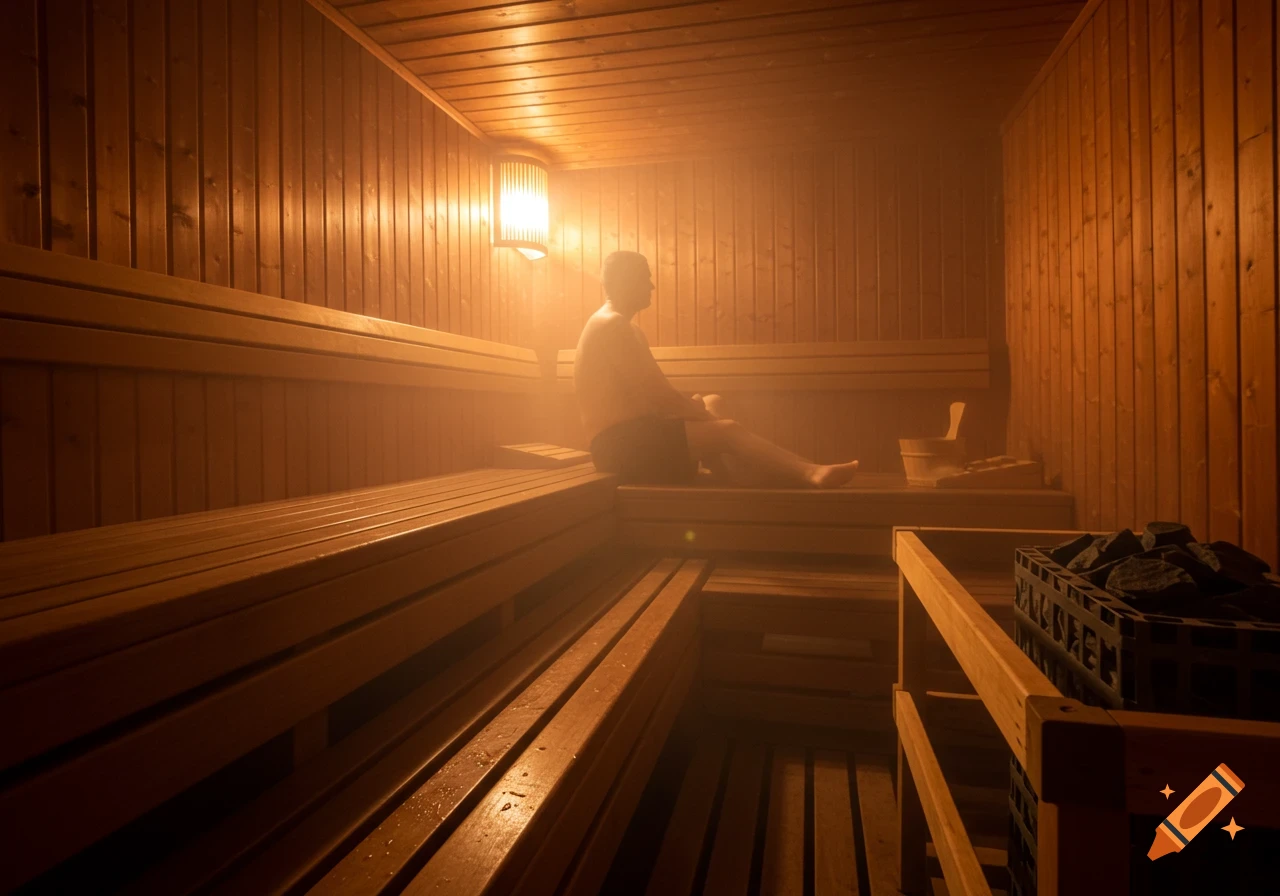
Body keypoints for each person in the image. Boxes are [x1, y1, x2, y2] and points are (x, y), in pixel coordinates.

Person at [574, 250, 861, 488]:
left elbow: (652, 401)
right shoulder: (612, 325)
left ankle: (737, 478)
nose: (651, 285)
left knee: (713, 401)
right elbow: (659, 398)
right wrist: (701, 416)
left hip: (637, 439)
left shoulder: (620, 325)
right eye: (646, 277)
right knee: (728, 431)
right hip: (621, 449)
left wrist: (697, 409)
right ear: (627, 280)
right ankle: (810, 472)